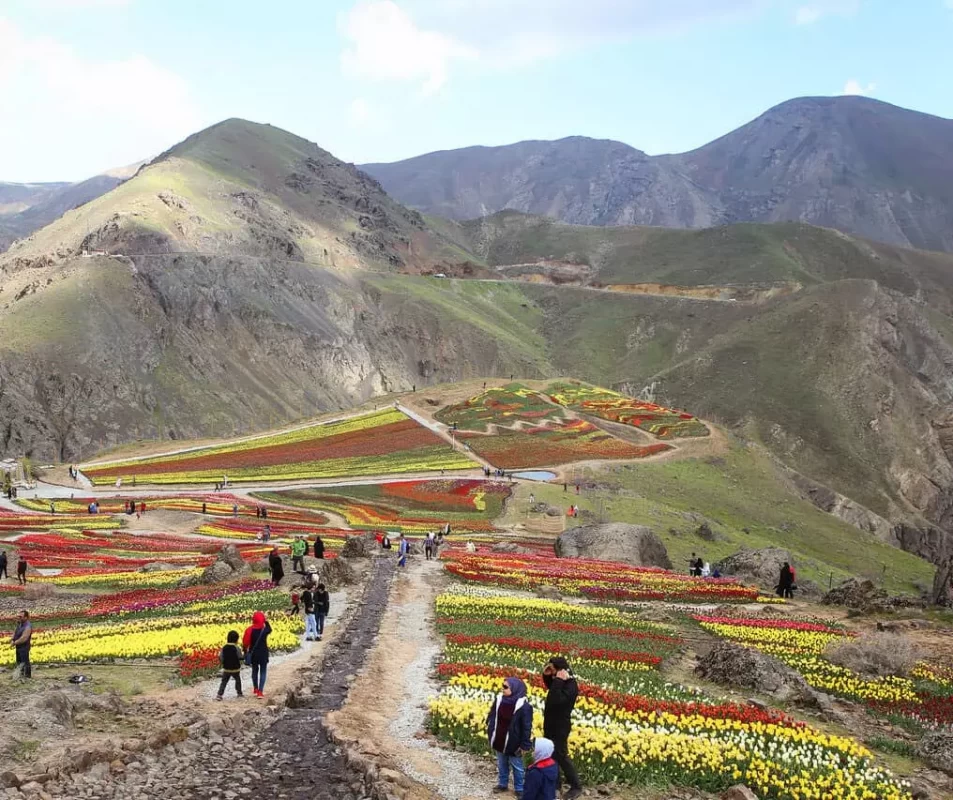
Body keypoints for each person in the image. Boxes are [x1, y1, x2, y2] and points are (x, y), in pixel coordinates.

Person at [542, 657, 582, 800]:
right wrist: (546, 675)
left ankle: (576, 786)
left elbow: (556, 699)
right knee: (551, 754)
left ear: (561, 670)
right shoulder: (560, 682)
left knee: (561, 755)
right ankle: (556, 784)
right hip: (550, 723)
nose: (553, 673)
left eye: (554, 669)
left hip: (560, 725)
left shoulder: (571, 685)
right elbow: (551, 688)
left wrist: (558, 680)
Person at [486, 677, 533, 796]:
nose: (502, 689)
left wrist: (525, 745)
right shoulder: (499, 700)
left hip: (514, 742)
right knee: (501, 763)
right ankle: (502, 784)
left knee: (517, 766)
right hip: (499, 739)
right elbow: (492, 715)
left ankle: (520, 789)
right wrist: (490, 729)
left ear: (515, 689)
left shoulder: (524, 706)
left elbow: (526, 727)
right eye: (502, 686)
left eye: (505, 687)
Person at [242, 611, 271, 697]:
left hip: (253, 654)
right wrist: (265, 621)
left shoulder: (249, 630)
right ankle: (260, 692)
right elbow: (270, 629)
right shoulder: (264, 629)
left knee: (254, 670)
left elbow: (245, 643)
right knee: (263, 671)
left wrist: (245, 651)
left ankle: (255, 688)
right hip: (263, 653)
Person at [216, 630, 243, 700]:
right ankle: (239, 693)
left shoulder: (224, 647)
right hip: (235, 668)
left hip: (226, 668)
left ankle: (219, 694)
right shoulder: (237, 647)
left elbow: (220, 657)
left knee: (224, 681)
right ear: (236, 639)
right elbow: (240, 656)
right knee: (237, 680)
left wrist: (223, 662)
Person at [11, 610, 32, 679]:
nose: (19, 617)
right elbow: (15, 631)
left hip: (24, 647)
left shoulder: (28, 626)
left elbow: (24, 638)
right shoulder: (20, 623)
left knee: (25, 662)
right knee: (19, 662)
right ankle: (21, 675)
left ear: (26, 617)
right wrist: (12, 639)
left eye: (21, 616)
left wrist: (15, 642)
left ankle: (27, 677)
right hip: (18, 646)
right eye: (18, 616)